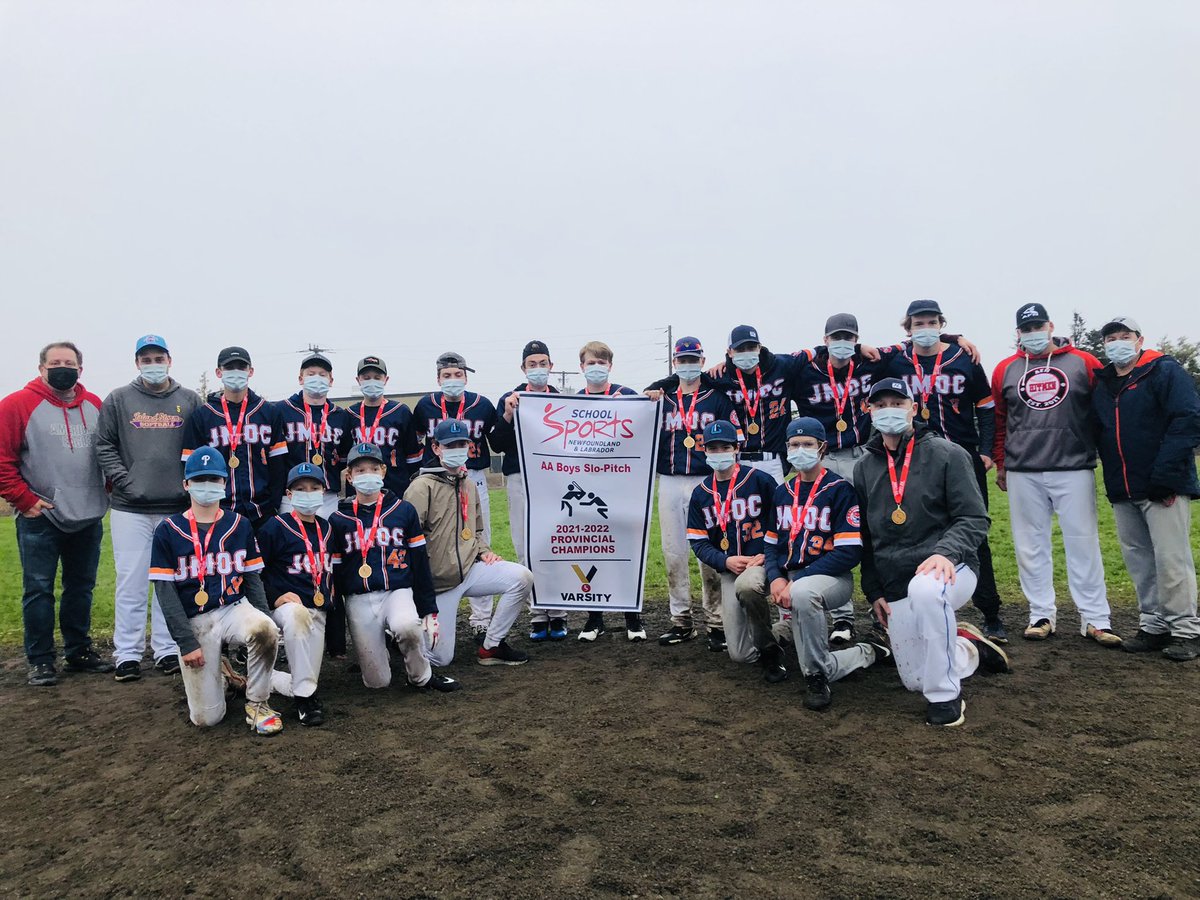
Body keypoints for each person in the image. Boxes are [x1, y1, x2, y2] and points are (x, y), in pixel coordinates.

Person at [855, 378, 1010, 727]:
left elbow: (974, 518)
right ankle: (967, 647)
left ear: (914, 407)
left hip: (949, 568)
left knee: (925, 591)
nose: (889, 411)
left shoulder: (948, 454)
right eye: (880, 405)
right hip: (895, 577)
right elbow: (866, 535)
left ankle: (944, 696)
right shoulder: (864, 467)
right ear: (869, 411)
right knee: (913, 681)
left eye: (897, 403)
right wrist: (875, 591)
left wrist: (946, 552)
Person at [992, 303, 1121, 647]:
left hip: (1074, 465)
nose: (1033, 333)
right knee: (1030, 545)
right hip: (1023, 469)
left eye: (1038, 326)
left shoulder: (1083, 362)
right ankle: (1040, 614)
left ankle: (1095, 619)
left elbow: (1104, 410)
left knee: (1083, 543)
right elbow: (1001, 420)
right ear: (1018, 333)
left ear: (1050, 326)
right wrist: (1001, 462)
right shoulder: (1005, 369)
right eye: (1026, 329)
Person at [884, 300, 1006, 642]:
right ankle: (914, 604)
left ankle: (991, 612)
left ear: (942, 323)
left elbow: (986, 406)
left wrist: (984, 451)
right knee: (911, 530)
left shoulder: (963, 357)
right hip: (915, 459)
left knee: (974, 532)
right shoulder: (896, 360)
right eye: (918, 322)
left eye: (932, 322)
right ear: (908, 327)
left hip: (962, 457)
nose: (926, 328)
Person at [148, 447, 284, 735]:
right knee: (207, 720)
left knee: (265, 630)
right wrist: (186, 643)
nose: (206, 486)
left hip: (233, 606)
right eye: (199, 479)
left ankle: (258, 702)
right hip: (196, 619)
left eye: (214, 479)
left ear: (225, 483)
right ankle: (225, 677)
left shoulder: (240, 525)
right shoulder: (168, 530)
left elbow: (252, 580)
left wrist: (266, 621)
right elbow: (164, 592)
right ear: (186, 484)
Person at [0, 341, 113, 686]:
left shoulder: (95, 405)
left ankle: (78, 651)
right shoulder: (16, 405)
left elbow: (108, 452)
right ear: (41, 368)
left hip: (88, 516)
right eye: (55, 362)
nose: (62, 367)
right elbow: (3, 461)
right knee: (38, 589)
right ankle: (40, 659)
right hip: (41, 518)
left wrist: (107, 491)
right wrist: (23, 500)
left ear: (81, 369)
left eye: (69, 362)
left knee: (81, 587)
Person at [1091, 317, 1200, 662]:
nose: (1118, 342)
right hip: (1123, 486)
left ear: (1140, 340)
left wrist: (1166, 474)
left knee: (1171, 557)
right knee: (1139, 559)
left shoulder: (1164, 371)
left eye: (1125, 336)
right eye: (1111, 338)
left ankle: (1186, 629)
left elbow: (1188, 419)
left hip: (1162, 484)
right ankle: (1153, 624)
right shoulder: (1103, 384)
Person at [763, 418, 889, 710]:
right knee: (788, 598)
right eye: (794, 444)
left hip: (831, 576)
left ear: (822, 448)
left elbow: (848, 552)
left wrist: (798, 579)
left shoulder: (839, 489)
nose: (800, 449)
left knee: (804, 593)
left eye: (807, 444)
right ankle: (860, 651)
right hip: (791, 577)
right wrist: (775, 578)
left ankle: (820, 673)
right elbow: (770, 545)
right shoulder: (783, 492)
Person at [95, 333, 201, 682]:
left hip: (175, 506)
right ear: (137, 362)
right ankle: (127, 652)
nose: (153, 365)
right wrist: (125, 481)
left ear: (170, 360)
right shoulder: (119, 399)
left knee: (169, 581)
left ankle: (167, 648)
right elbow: (104, 444)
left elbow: (199, 447)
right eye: (146, 359)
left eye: (159, 358)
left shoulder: (188, 399)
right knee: (132, 581)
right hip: (131, 507)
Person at [328, 443, 460, 693]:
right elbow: (334, 576)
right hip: (359, 596)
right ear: (349, 476)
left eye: (374, 469)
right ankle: (381, 656)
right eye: (360, 470)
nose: (368, 474)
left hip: (397, 590)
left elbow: (420, 563)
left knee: (408, 626)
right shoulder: (338, 520)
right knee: (378, 682)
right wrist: (336, 640)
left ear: (384, 471)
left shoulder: (403, 510)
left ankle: (421, 675)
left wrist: (428, 610)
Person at [406, 419, 532, 667]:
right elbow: (407, 537)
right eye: (450, 444)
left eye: (462, 443)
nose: (457, 449)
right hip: (438, 584)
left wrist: (484, 552)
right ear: (436, 448)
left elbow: (476, 529)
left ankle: (492, 646)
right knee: (440, 660)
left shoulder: (469, 484)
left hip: (469, 571)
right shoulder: (421, 487)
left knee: (522, 577)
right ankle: (404, 633)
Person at [643, 336, 738, 650]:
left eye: (693, 359)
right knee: (673, 551)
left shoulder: (716, 398)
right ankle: (681, 620)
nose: (687, 365)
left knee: (708, 553)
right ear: (674, 363)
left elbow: (733, 439)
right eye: (682, 360)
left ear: (702, 360)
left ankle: (716, 622)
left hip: (706, 478)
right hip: (669, 478)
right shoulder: (663, 397)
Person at [685, 420, 788, 678]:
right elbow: (698, 542)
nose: (719, 453)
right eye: (713, 448)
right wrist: (724, 561)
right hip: (730, 568)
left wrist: (769, 553)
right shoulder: (701, 493)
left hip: (761, 563)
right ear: (704, 450)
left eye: (725, 447)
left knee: (749, 586)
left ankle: (769, 652)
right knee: (740, 654)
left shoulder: (760, 480)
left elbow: (783, 524)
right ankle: (786, 631)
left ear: (736, 448)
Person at [412, 351, 499, 644]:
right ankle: (429, 611)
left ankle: (480, 620)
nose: (453, 380)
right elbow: (414, 441)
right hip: (435, 478)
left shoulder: (482, 405)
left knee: (478, 542)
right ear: (438, 378)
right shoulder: (425, 405)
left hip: (472, 477)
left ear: (466, 376)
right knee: (432, 543)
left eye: (458, 374)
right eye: (447, 375)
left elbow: (496, 440)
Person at [489, 340, 569, 641]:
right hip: (520, 477)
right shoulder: (510, 399)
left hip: (553, 479)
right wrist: (508, 415)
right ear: (523, 368)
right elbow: (496, 444)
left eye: (542, 363)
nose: (538, 369)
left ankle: (559, 613)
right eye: (531, 364)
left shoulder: (562, 399)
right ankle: (537, 613)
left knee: (555, 543)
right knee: (525, 545)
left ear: (551, 365)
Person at [574, 340, 647, 642]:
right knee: (592, 549)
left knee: (624, 550)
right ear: (581, 367)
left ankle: (633, 618)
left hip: (621, 486)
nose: (596, 367)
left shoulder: (626, 396)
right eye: (591, 362)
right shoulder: (575, 400)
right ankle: (594, 619)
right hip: (588, 488)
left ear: (610, 366)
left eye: (602, 362)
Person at [258, 463, 336, 725]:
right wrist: (275, 597)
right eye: (300, 489)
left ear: (323, 492)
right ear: (289, 495)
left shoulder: (327, 528)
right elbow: (254, 573)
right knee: (307, 684)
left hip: (318, 607)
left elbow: (330, 576)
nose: (308, 493)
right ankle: (305, 702)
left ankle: (266, 679)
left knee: (308, 676)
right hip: (286, 607)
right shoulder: (274, 527)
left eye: (314, 488)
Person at [182, 346, 288, 528]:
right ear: (218, 372)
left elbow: (278, 465)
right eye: (229, 367)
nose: (236, 372)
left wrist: (273, 504)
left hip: (262, 511)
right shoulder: (203, 415)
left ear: (251, 371)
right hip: (218, 510)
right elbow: (189, 465)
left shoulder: (269, 412)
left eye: (241, 367)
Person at [276, 350, 353, 518]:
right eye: (311, 374)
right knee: (295, 540)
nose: (317, 378)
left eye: (322, 374)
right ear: (300, 378)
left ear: (331, 381)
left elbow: (343, 457)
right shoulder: (281, 410)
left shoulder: (340, 415)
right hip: (292, 494)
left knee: (327, 540)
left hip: (327, 495)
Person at [347, 355, 423, 499]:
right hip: (359, 491)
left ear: (386, 380)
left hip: (396, 489)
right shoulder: (350, 414)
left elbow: (413, 457)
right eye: (366, 377)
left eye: (377, 377)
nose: (372, 381)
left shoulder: (400, 411)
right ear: (358, 380)